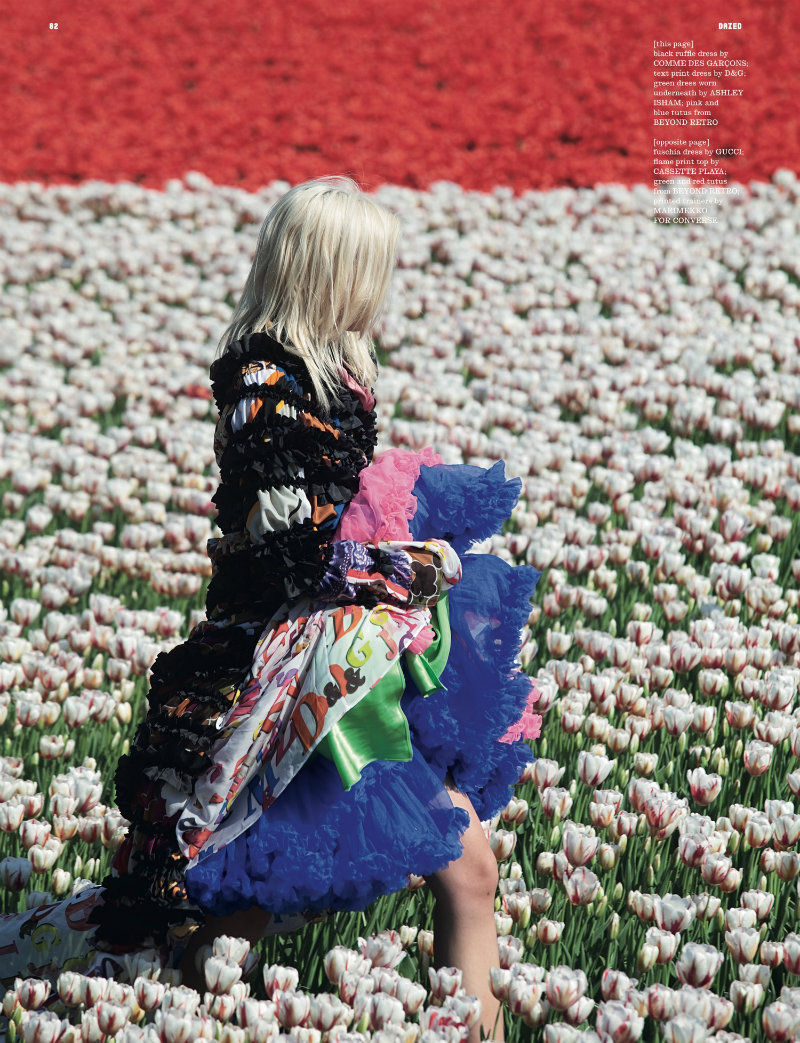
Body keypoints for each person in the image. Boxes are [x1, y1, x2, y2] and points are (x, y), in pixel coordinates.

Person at [84, 175, 542, 1041]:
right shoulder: (264, 387)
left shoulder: (331, 371)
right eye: (372, 269)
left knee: (464, 868)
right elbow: (285, 553)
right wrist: (402, 564)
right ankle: (168, 1016)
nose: (381, 290)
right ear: (332, 270)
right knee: (249, 900)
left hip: (354, 652)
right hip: (297, 672)